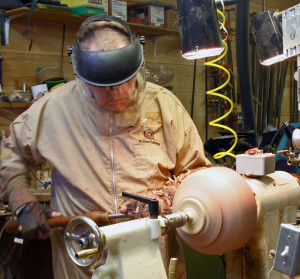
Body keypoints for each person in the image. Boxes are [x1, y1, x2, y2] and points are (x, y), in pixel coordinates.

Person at [0, 15, 211, 279]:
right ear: (81, 75)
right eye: (103, 88)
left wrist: (165, 197)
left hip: (153, 259)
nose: (116, 94)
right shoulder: (54, 109)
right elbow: (8, 157)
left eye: (125, 82)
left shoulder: (164, 105)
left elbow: (199, 173)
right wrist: (24, 205)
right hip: (81, 259)